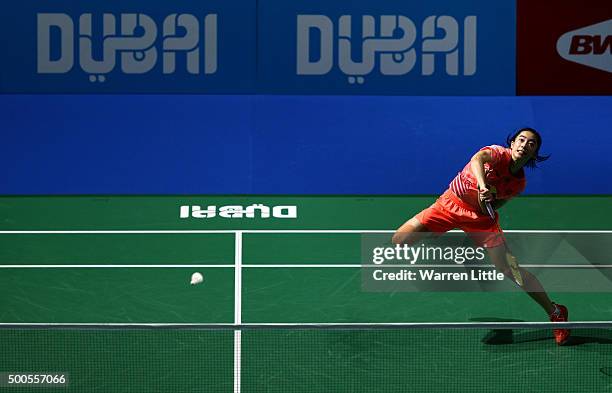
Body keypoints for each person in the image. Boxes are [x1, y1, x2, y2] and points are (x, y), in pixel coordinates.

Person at [392, 127, 570, 345]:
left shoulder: (518, 183)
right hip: (449, 205)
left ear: (534, 153)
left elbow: (499, 203)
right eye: (521, 140)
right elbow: (477, 158)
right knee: (399, 240)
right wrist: (483, 185)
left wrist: (489, 203)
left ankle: (555, 312)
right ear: (512, 143)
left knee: (512, 271)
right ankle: (437, 233)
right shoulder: (497, 153)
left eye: (531, 144)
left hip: (481, 221)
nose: (525, 145)